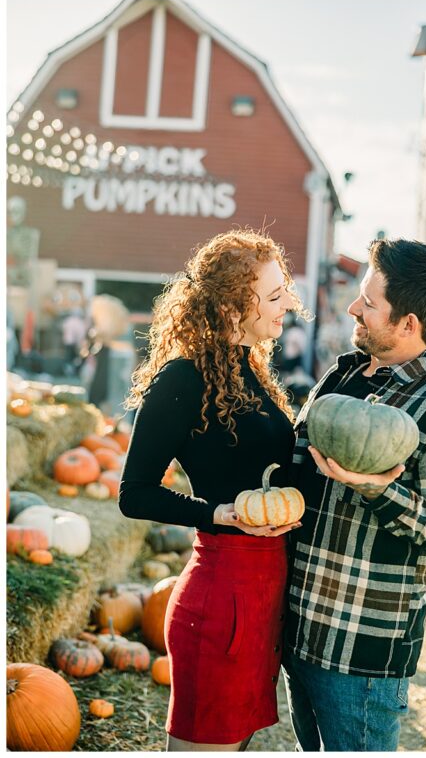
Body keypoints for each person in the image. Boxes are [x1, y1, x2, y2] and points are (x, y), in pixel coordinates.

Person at [283, 238, 426, 751]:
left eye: (369, 303)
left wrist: (381, 491)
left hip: (361, 649)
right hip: (296, 629)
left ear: (409, 324)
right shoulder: (342, 376)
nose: (354, 307)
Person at [119, 229, 307, 750]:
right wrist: (221, 513)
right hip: (222, 596)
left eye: (283, 290)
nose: (287, 303)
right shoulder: (181, 379)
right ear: (230, 307)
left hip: (265, 593)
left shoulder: (251, 369)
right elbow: (133, 493)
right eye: (273, 296)